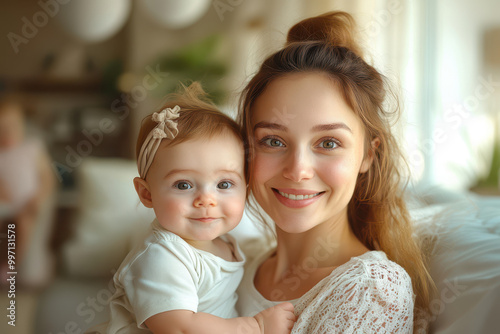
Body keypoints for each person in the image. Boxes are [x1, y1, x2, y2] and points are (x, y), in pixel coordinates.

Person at [236, 11, 435, 333]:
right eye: (273, 140)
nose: (298, 169)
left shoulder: (371, 290)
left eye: (328, 143)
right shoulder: (236, 263)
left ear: (368, 155)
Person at [98, 83, 295, 334]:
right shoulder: (162, 256)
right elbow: (181, 328)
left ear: (246, 188)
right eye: (183, 185)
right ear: (147, 193)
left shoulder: (227, 244)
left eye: (224, 184)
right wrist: (254, 326)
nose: (206, 200)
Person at [0, 97, 55, 286]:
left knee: (23, 224)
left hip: (27, 203)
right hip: (5, 204)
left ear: (22, 126)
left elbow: (47, 178)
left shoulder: (32, 148)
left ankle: (11, 266)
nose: (7, 134)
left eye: (12, 127)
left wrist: (39, 197)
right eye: (2, 130)